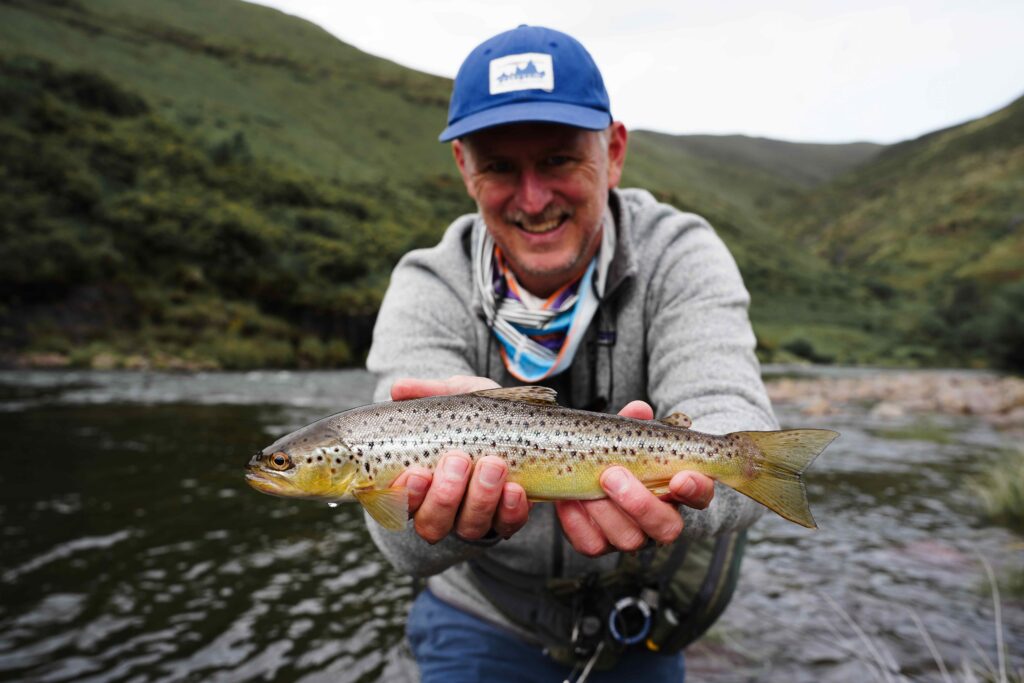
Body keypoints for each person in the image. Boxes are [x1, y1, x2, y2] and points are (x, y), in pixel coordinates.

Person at [365, 24, 778, 682]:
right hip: (482, 617)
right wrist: (454, 513)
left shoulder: (680, 252)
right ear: (464, 169)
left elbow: (732, 417)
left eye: (558, 159)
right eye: (500, 166)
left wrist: (690, 491)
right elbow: (398, 545)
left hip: (636, 620)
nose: (532, 198)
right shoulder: (427, 285)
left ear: (613, 152)